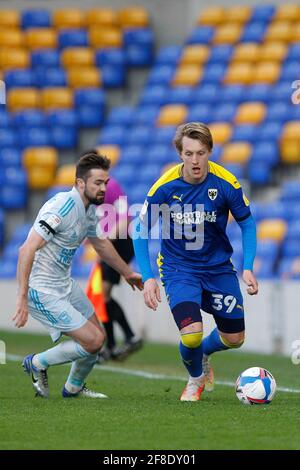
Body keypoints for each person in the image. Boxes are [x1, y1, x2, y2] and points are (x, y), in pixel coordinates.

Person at [133, 122, 258, 402]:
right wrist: (147, 276)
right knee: (190, 335)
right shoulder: (164, 189)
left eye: (201, 153)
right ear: (180, 153)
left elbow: (247, 223)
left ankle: (205, 353)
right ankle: (195, 380)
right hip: (180, 269)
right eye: (188, 153)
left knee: (235, 338)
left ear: (210, 151)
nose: (195, 160)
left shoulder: (226, 183)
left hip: (218, 268)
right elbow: (140, 230)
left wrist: (247, 265)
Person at [13, 152, 143, 399]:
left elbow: (101, 244)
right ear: (80, 183)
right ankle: (37, 363)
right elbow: (26, 249)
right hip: (41, 289)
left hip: (64, 285)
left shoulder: (88, 210)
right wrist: (21, 298)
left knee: (99, 338)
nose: (104, 188)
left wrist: (127, 273)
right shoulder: (61, 207)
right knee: (93, 341)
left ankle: (73, 388)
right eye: (98, 183)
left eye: (105, 182)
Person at [95, 176, 143, 363]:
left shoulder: (112, 185)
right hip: (108, 245)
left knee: (104, 294)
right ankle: (115, 344)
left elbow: (125, 218)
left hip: (119, 244)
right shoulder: (91, 189)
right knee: (103, 295)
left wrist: (105, 242)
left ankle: (123, 340)